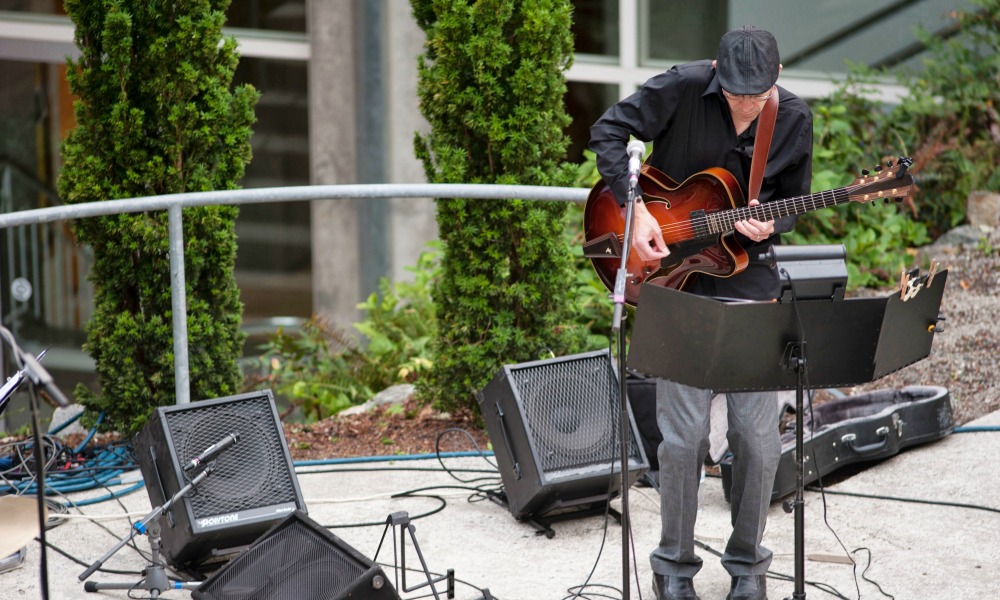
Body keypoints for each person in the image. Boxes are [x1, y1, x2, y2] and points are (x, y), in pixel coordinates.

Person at [589, 26, 813, 600]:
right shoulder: (685, 87)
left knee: (758, 441)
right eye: (736, 92)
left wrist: (772, 222)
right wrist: (635, 209)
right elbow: (607, 131)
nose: (744, 104)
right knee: (683, 439)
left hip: (750, 279)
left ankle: (748, 568)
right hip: (673, 280)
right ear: (717, 70)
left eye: (756, 94)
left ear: (777, 79)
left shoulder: (793, 119)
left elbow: (792, 201)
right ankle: (673, 565)